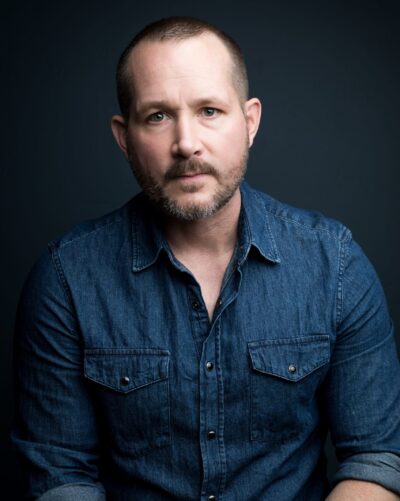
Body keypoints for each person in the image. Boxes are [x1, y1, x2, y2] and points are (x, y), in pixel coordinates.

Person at [12, 16, 400, 501]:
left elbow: (375, 458)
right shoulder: (66, 279)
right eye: (158, 116)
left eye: (210, 111)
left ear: (250, 121)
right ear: (124, 137)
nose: (186, 143)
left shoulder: (335, 264)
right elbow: (61, 475)